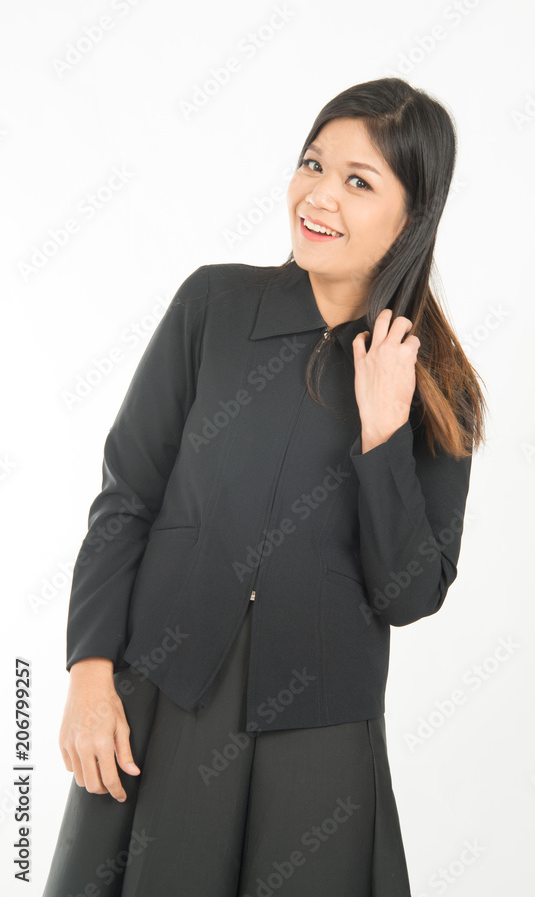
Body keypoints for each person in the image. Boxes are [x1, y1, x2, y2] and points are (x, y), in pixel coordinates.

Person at [42, 76, 487, 896]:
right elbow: (127, 497)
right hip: (162, 703)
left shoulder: (437, 385)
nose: (319, 195)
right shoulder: (213, 305)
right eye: (313, 164)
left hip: (319, 743)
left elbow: (408, 594)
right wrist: (89, 673)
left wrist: (383, 434)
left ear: (413, 215)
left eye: (359, 181)